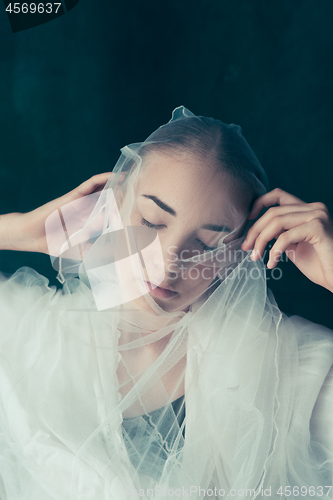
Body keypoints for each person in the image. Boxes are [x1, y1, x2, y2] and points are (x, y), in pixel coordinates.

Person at [0, 105, 333, 500]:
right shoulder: (31, 329)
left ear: (241, 250)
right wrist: (20, 230)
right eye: (152, 221)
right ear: (115, 205)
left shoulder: (290, 370)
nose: (170, 261)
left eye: (208, 243)